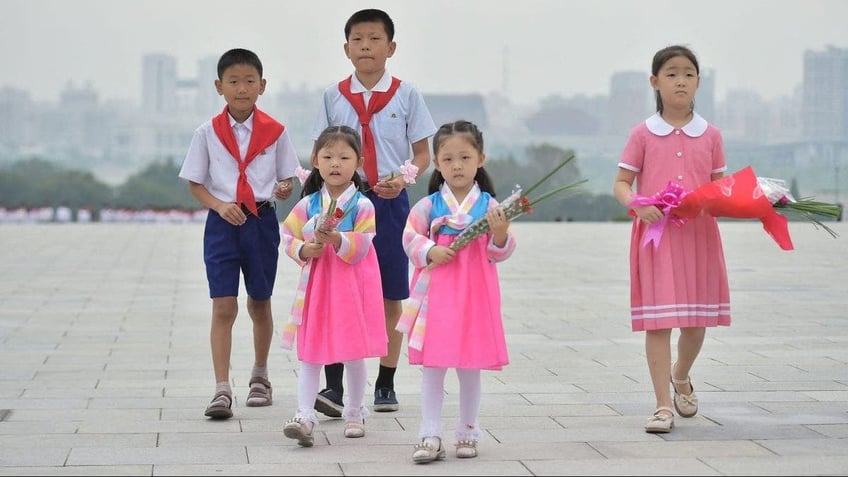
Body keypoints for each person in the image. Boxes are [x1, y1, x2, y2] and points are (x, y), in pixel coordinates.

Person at [310, 7, 437, 417]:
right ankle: (333, 386)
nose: (366, 46)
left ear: (392, 47)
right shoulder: (332, 96)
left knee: (390, 291)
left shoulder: (406, 94)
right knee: (336, 288)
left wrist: (404, 179)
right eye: (358, 39)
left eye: (375, 39)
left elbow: (423, 152)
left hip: (389, 200)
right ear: (346, 48)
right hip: (342, 202)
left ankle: (385, 380)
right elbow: (321, 150)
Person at [612, 45, 730, 433]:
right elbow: (622, 184)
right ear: (655, 82)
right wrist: (638, 205)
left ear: (698, 82)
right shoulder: (642, 134)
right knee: (659, 324)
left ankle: (681, 376)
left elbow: (719, 187)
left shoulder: (710, 135)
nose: (680, 80)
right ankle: (662, 405)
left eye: (688, 74)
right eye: (672, 73)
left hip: (698, 238)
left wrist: (752, 200)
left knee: (695, 325)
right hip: (656, 238)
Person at [178, 48, 299, 419]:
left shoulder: (275, 132)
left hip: (261, 222)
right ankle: (221, 388)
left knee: (259, 302)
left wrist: (283, 189)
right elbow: (195, 184)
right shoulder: (206, 133)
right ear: (219, 87)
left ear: (262, 86)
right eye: (233, 81)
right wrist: (218, 205)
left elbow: (289, 178)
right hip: (223, 225)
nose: (241, 88)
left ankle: (260, 376)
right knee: (223, 305)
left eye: (249, 81)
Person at [397, 120, 515, 463]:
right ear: (436, 163)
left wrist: (501, 233)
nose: (457, 165)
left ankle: (467, 431)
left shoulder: (491, 206)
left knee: (469, 366)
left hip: (474, 296)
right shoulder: (429, 206)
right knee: (433, 366)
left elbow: (499, 251)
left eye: (465, 157)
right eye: (448, 159)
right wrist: (430, 250)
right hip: (437, 298)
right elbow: (409, 238)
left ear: (481, 158)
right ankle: (429, 433)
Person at [279, 126, 388, 447]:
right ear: (315, 160)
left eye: (344, 157)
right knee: (311, 350)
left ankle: (355, 410)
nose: (335, 164)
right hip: (317, 287)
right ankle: (304, 413)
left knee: (354, 351)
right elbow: (287, 235)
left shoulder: (363, 206)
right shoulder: (309, 204)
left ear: (359, 162)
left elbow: (365, 243)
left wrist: (338, 238)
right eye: (327, 156)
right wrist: (303, 249)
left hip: (351, 287)